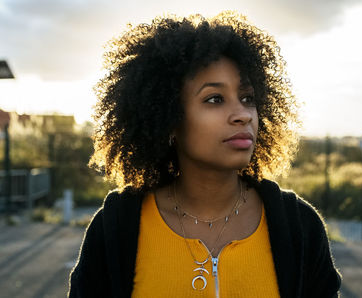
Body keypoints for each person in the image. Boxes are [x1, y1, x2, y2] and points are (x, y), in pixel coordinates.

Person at [68, 11, 341, 298]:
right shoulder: (116, 229)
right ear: (169, 118)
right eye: (214, 99)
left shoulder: (300, 227)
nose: (242, 115)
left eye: (248, 98)